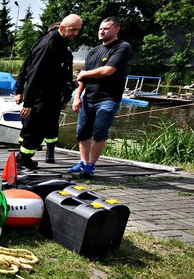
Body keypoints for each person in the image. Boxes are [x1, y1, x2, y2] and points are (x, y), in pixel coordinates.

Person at [15, 14, 82, 171]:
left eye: (78, 30)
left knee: (43, 129)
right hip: (41, 97)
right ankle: (23, 161)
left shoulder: (62, 47)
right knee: (35, 130)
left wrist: (65, 97)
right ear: (62, 28)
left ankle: (24, 159)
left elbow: (61, 76)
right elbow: (33, 74)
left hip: (52, 97)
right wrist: (28, 102)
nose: (75, 33)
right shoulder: (48, 46)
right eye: (73, 30)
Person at [69, 16, 133, 178]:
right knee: (82, 133)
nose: (101, 31)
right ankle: (83, 161)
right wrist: (77, 97)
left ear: (116, 29)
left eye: (106, 28)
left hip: (108, 99)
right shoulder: (93, 51)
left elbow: (107, 70)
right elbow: (82, 79)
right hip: (88, 98)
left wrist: (84, 73)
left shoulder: (122, 47)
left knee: (99, 132)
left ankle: (91, 165)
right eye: (100, 29)